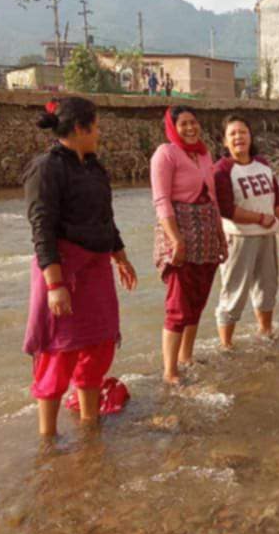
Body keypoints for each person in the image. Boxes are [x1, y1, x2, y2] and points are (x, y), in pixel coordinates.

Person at [23, 96, 138, 437]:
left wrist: (120, 255)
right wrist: (55, 285)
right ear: (79, 128)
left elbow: (105, 218)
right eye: (96, 126)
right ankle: (48, 438)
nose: (99, 133)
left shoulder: (93, 167)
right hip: (63, 270)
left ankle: (91, 425)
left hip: (96, 269)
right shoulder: (46, 168)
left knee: (98, 344)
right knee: (59, 351)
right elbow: (41, 227)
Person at [150, 106, 227, 383]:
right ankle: (170, 370)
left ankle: (186, 357)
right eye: (183, 124)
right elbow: (161, 200)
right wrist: (175, 239)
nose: (190, 128)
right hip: (179, 230)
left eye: (193, 122)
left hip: (206, 233)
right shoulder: (166, 154)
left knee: (197, 301)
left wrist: (220, 236)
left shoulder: (204, 154)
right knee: (178, 304)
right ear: (172, 127)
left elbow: (214, 198)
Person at [213, 116, 279, 347]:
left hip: (267, 235)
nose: (239, 137)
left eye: (243, 132)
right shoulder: (222, 170)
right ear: (226, 141)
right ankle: (226, 344)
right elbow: (226, 209)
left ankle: (265, 332)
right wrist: (259, 218)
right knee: (233, 291)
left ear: (250, 136)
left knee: (267, 287)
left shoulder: (263, 164)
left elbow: (276, 198)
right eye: (233, 134)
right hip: (238, 238)